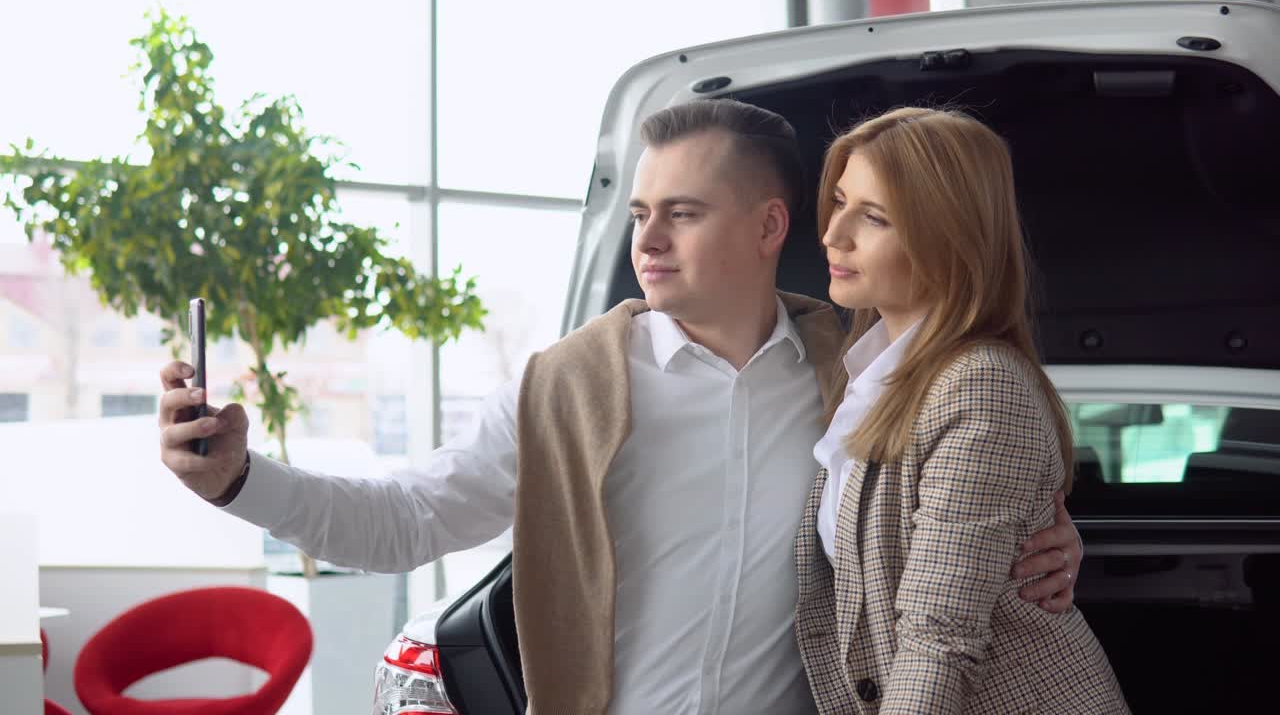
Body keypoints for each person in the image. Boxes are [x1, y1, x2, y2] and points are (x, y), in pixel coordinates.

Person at [157, 99, 1082, 715]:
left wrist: (1052, 530)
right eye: (640, 212)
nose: (649, 238)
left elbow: (971, 474)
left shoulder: (857, 371)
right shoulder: (564, 385)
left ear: (767, 226)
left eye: (682, 212)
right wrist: (240, 479)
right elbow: (405, 520)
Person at [795, 106, 1128, 714]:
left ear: (947, 236)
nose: (832, 234)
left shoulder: (980, 385)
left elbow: (938, 637)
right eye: (839, 201)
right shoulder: (868, 377)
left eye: (873, 217)